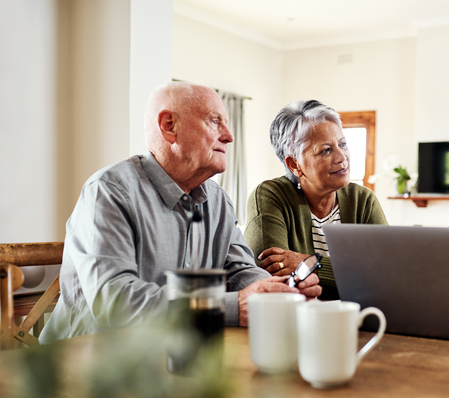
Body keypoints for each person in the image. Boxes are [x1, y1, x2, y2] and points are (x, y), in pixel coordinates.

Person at [39, 82, 321, 343]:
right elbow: (116, 303)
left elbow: (240, 270)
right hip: (86, 364)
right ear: (168, 126)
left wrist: (279, 290)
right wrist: (230, 307)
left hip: (170, 354)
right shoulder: (109, 191)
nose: (229, 136)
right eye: (214, 121)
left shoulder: (218, 201)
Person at [244, 100, 387, 300]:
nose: (342, 157)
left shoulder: (363, 200)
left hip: (359, 317)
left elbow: (386, 274)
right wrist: (354, 271)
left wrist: (310, 263)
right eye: (326, 150)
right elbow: (272, 281)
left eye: (343, 144)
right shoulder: (271, 196)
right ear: (295, 164)